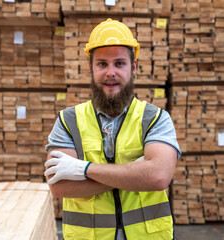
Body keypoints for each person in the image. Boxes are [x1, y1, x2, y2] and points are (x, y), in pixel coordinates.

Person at [44, 18, 181, 240]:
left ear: (133, 66)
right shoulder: (68, 121)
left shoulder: (155, 119)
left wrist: (83, 169)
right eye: (102, 64)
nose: (111, 72)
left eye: (119, 63)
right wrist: (135, 173)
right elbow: (60, 187)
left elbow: (158, 176)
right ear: (90, 67)